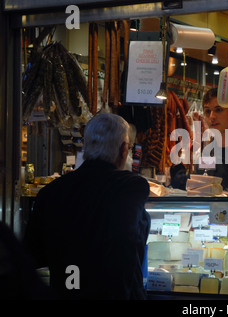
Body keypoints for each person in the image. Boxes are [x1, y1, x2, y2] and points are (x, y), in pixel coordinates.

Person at [24, 112, 150, 300]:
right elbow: (130, 247)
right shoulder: (131, 187)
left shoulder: (50, 192)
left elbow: (34, 254)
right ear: (124, 149)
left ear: (87, 145)